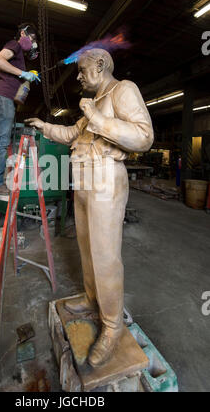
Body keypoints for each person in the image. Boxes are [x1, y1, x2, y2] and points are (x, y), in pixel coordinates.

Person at [25, 48, 154, 368]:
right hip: (82, 184)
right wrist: (44, 125)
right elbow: (71, 133)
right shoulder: (93, 103)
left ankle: (111, 326)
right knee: (86, 248)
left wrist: (98, 119)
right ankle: (91, 298)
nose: (79, 77)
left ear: (101, 64)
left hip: (106, 181)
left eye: (83, 70)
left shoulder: (123, 90)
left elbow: (143, 136)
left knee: (106, 256)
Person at [0, 23, 40, 196]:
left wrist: (26, 77)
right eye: (32, 39)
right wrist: (22, 73)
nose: (32, 43)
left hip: (1, 97)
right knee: (1, 142)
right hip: (2, 97)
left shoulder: (19, 54)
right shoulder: (15, 45)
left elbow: (17, 86)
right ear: (23, 33)